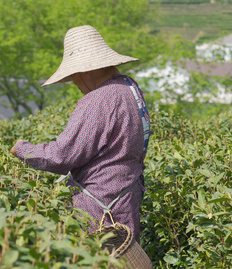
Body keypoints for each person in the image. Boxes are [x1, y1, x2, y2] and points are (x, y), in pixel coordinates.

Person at [10, 25, 150, 245]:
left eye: (73, 76)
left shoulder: (99, 100)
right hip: (125, 203)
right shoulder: (130, 88)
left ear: (86, 71)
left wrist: (22, 149)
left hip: (99, 212)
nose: (74, 83)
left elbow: (62, 156)